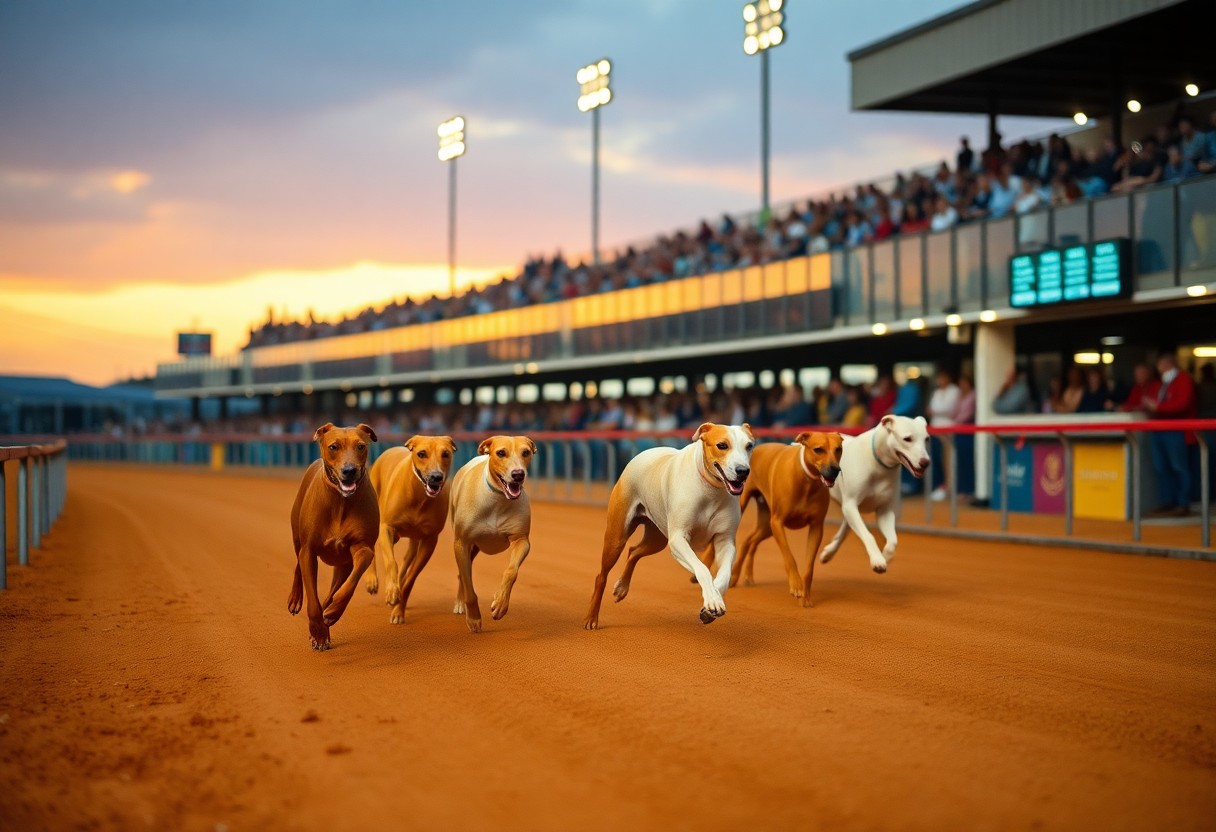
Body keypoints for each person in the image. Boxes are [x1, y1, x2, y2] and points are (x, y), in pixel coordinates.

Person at [1142, 349, 1197, 517]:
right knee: (1161, 468)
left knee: (1179, 467)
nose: (1159, 368)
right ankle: (1167, 501)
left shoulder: (1183, 379)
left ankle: (1183, 503)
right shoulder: (1161, 383)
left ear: (1168, 364)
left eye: (1161, 364)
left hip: (1177, 430)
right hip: (1159, 429)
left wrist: (1158, 407)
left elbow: (1182, 404)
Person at [926, 369, 960, 501]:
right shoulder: (937, 392)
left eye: (942, 377)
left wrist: (935, 411)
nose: (939, 381)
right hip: (935, 430)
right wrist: (936, 411)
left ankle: (949, 486)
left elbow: (950, 409)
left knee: (949, 460)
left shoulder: (954, 390)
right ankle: (940, 486)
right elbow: (930, 409)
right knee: (937, 460)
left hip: (948, 430)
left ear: (947, 378)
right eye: (938, 378)